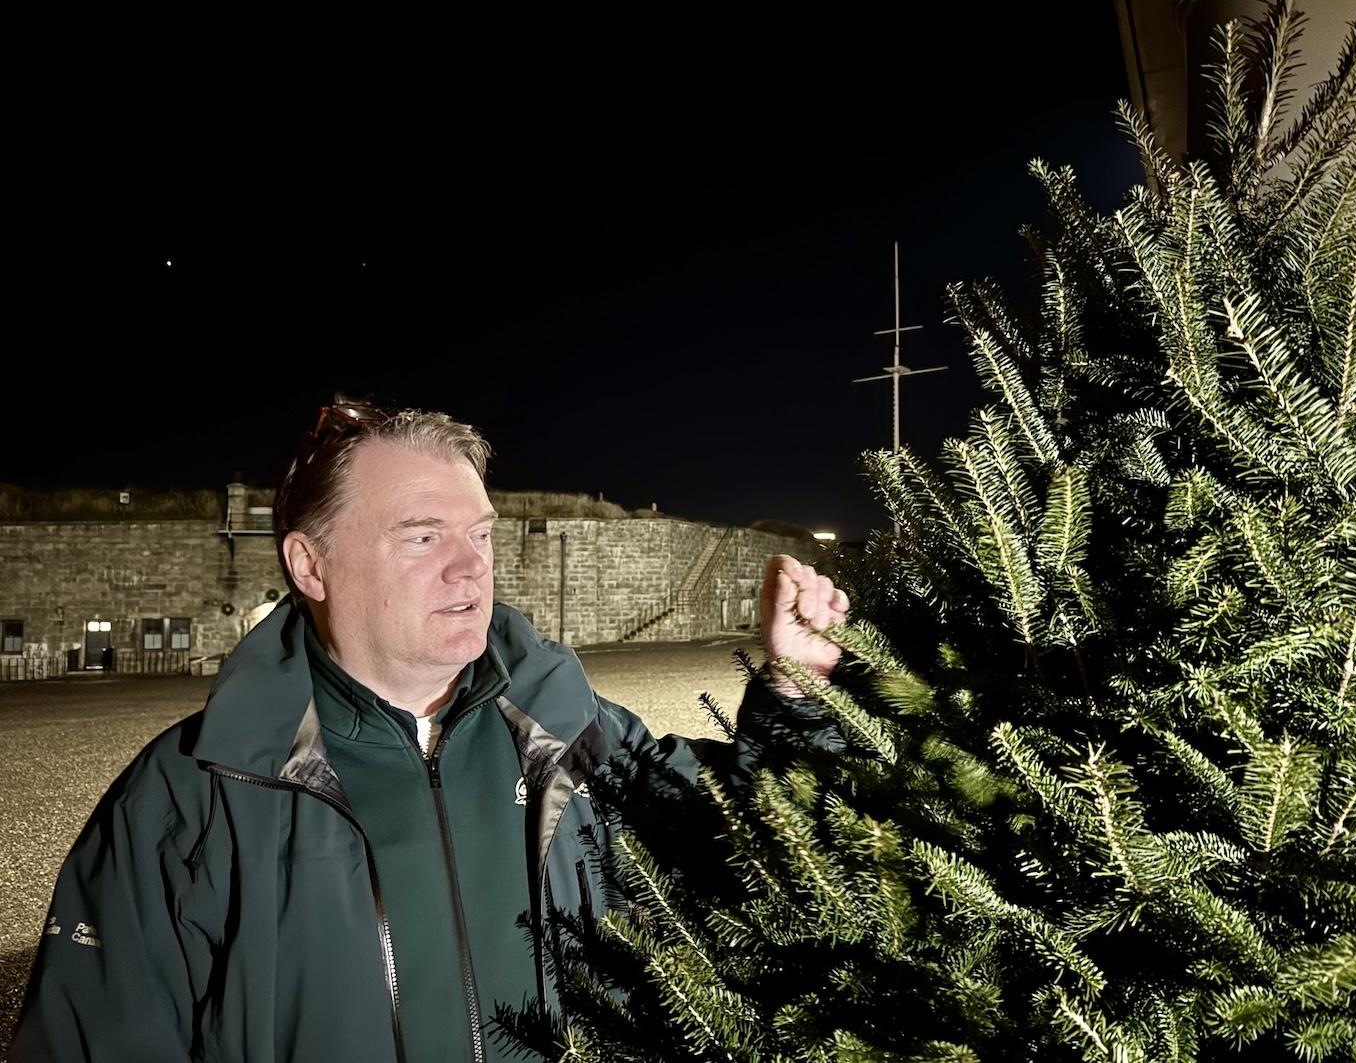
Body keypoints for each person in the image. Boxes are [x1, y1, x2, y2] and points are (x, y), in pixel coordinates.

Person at [10, 402, 848, 1063]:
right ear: (310, 565)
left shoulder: (566, 729)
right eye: (423, 536)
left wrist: (797, 695)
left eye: (480, 535)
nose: (471, 565)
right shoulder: (191, 794)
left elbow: (755, 846)